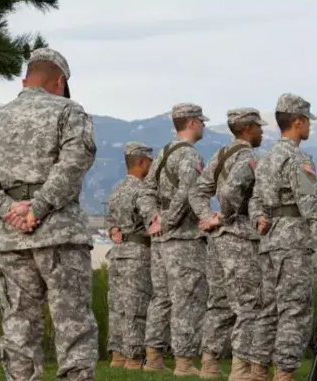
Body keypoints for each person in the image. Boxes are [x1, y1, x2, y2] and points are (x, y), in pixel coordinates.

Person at [0, 48, 98, 381]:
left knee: (19, 326)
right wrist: (39, 207)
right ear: (60, 81)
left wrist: (7, 209)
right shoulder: (69, 112)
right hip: (59, 233)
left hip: (12, 238)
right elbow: (73, 163)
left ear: (25, 80)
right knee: (73, 324)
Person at [247, 93, 317, 381]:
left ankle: (258, 371)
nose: (310, 127)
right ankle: (285, 374)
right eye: (307, 121)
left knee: (268, 310)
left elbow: (255, 201)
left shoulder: (266, 160)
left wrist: (260, 220)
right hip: (292, 243)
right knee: (295, 310)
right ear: (297, 121)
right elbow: (308, 204)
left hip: (269, 243)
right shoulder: (298, 159)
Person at [188, 107, 266, 380]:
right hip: (239, 237)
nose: (262, 132)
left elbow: (198, 191)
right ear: (247, 129)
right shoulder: (247, 157)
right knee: (249, 305)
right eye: (259, 127)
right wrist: (224, 217)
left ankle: (209, 366)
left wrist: (208, 217)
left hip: (217, 242)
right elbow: (232, 192)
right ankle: (242, 369)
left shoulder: (221, 155)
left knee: (219, 303)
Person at [143, 102, 210, 376]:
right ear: (192, 123)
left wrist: (153, 219)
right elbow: (187, 193)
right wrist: (168, 221)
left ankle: (153, 357)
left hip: (159, 240)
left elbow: (145, 190)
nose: (204, 125)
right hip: (182, 240)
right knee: (187, 299)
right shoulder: (190, 156)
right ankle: (183, 363)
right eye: (202, 121)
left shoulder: (162, 154)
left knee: (161, 298)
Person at [104, 142, 160, 369]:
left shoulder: (117, 189)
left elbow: (111, 222)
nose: (152, 164)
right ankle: (134, 358)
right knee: (136, 307)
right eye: (150, 160)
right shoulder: (142, 190)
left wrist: (114, 230)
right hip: (137, 253)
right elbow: (153, 220)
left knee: (117, 307)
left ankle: (117, 355)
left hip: (117, 254)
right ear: (141, 162)